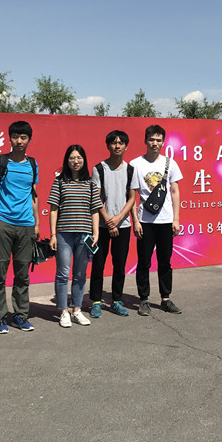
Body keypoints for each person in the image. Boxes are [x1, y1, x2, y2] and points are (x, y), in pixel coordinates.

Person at [0, 121, 40, 334]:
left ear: (29, 140)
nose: (19, 141)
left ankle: (20, 315)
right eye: (15, 136)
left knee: (22, 274)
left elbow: (34, 195)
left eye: (23, 137)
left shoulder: (33, 164)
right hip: (4, 224)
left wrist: (37, 223)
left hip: (26, 225)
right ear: (9, 138)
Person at [130, 124, 183, 316]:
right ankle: (143, 300)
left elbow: (175, 191)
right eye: (151, 139)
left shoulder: (170, 163)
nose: (155, 143)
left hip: (166, 221)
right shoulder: (135, 164)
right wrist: (135, 221)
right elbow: (132, 195)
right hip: (145, 221)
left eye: (158, 140)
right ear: (145, 141)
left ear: (163, 142)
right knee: (144, 262)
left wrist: (176, 219)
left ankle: (165, 298)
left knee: (165, 262)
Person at [48, 145, 102, 328]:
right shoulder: (60, 182)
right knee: (63, 273)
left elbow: (95, 210)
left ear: (84, 160)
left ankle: (76, 309)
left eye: (79, 158)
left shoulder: (90, 184)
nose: (75, 161)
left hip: (84, 234)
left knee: (80, 274)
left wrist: (96, 232)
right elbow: (53, 209)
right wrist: (53, 235)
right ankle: (63, 311)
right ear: (67, 161)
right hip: (64, 234)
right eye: (72, 158)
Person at [88, 130, 138, 318]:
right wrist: (109, 220)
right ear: (108, 145)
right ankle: (96, 301)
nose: (117, 146)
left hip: (123, 225)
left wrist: (118, 219)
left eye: (121, 143)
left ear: (126, 146)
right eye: (114, 143)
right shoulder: (99, 169)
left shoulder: (131, 170)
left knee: (119, 264)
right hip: (101, 226)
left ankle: (117, 300)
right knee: (98, 264)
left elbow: (132, 198)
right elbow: (96, 197)